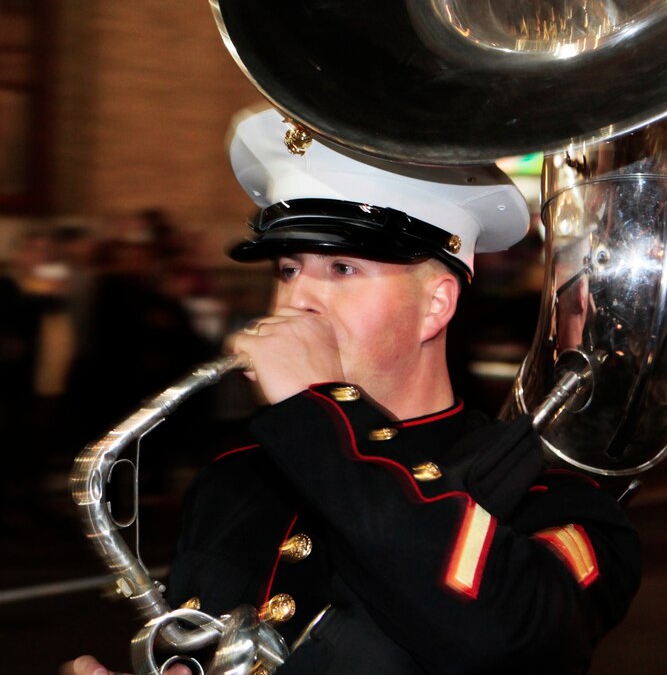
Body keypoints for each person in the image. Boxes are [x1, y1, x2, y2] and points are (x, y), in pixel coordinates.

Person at [63, 107, 640, 675]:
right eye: (289, 269)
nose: (296, 301)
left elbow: (515, 640)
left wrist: (318, 408)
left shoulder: (554, 498)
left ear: (435, 305)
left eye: (342, 269)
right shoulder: (231, 479)